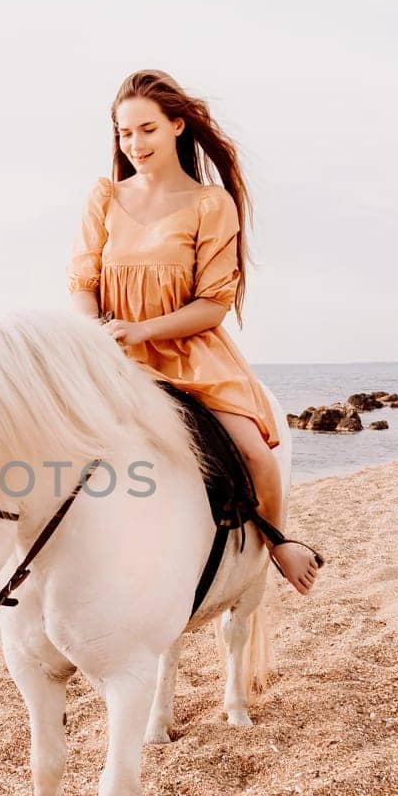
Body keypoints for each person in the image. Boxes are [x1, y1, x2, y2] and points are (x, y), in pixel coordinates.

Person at [65, 70, 323, 596]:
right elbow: (82, 280)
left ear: (177, 127)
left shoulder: (211, 203)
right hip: (111, 350)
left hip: (187, 351)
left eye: (147, 130)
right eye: (124, 133)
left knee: (253, 451)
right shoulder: (105, 196)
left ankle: (277, 542)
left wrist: (141, 330)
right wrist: (96, 332)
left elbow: (212, 305)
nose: (134, 143)